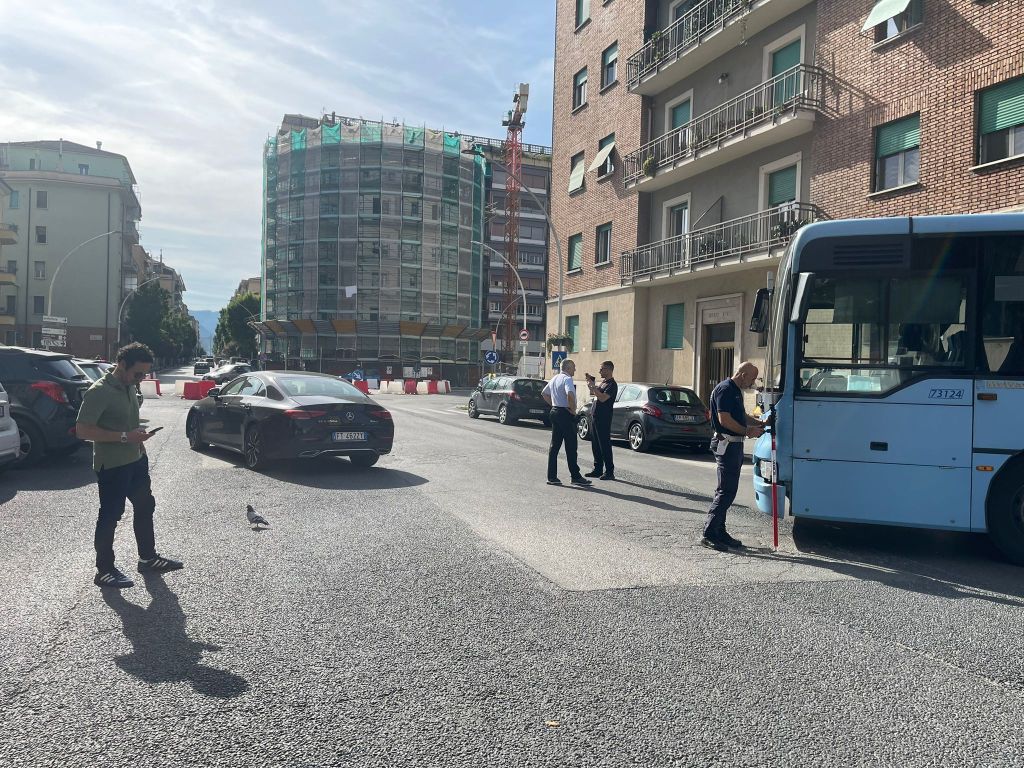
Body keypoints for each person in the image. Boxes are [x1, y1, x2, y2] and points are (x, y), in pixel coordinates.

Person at [76, 343, 183, 589]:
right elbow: (83, 430)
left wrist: (138, 439)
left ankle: (148, 558)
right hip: (113, 465)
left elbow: (127, 424)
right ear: (122, 365)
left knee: (145, 506)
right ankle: (104, 571)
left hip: (136, 460)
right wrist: (125, 437)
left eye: (144, 374)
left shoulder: (129, 386)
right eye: (138, 374)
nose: (141, 379)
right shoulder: (99, 391)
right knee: (111, 516)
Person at [702, 361, 764, 552]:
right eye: (752, 379)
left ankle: (719, 531)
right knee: (726, 491)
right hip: (726, 444)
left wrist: (760, 423)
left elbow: (741, 416)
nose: (753, 383)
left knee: (727, 490)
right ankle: (709, 533)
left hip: (733, 445)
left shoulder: (735, 390)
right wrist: (748, 431)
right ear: (743, 375)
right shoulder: (725, 389)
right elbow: (725, 420)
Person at [541, 358, 591, 487]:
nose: (575, 369)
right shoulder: (567, 379)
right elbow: (570, 394)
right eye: (573, 367)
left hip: (555, 411)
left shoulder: (554, 378)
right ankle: (575, 476)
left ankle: (552, 477)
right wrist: (573, 410)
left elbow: (544, 393)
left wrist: (554, 404)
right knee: (571, 446)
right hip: (565, 413)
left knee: (554, 446)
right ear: (568, 368)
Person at [584, 360, 618, 480]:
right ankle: (598, 469)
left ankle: (609, 471)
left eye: (602, 369)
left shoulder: (612, 385)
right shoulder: (603, 383)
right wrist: (591, 384)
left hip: (604, 418)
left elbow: (603, 398)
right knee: (596, 445)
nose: (600, 371)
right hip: (595, 416)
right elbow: (595, 394)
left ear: (608, 370)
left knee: (604, 445)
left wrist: (594, 387)